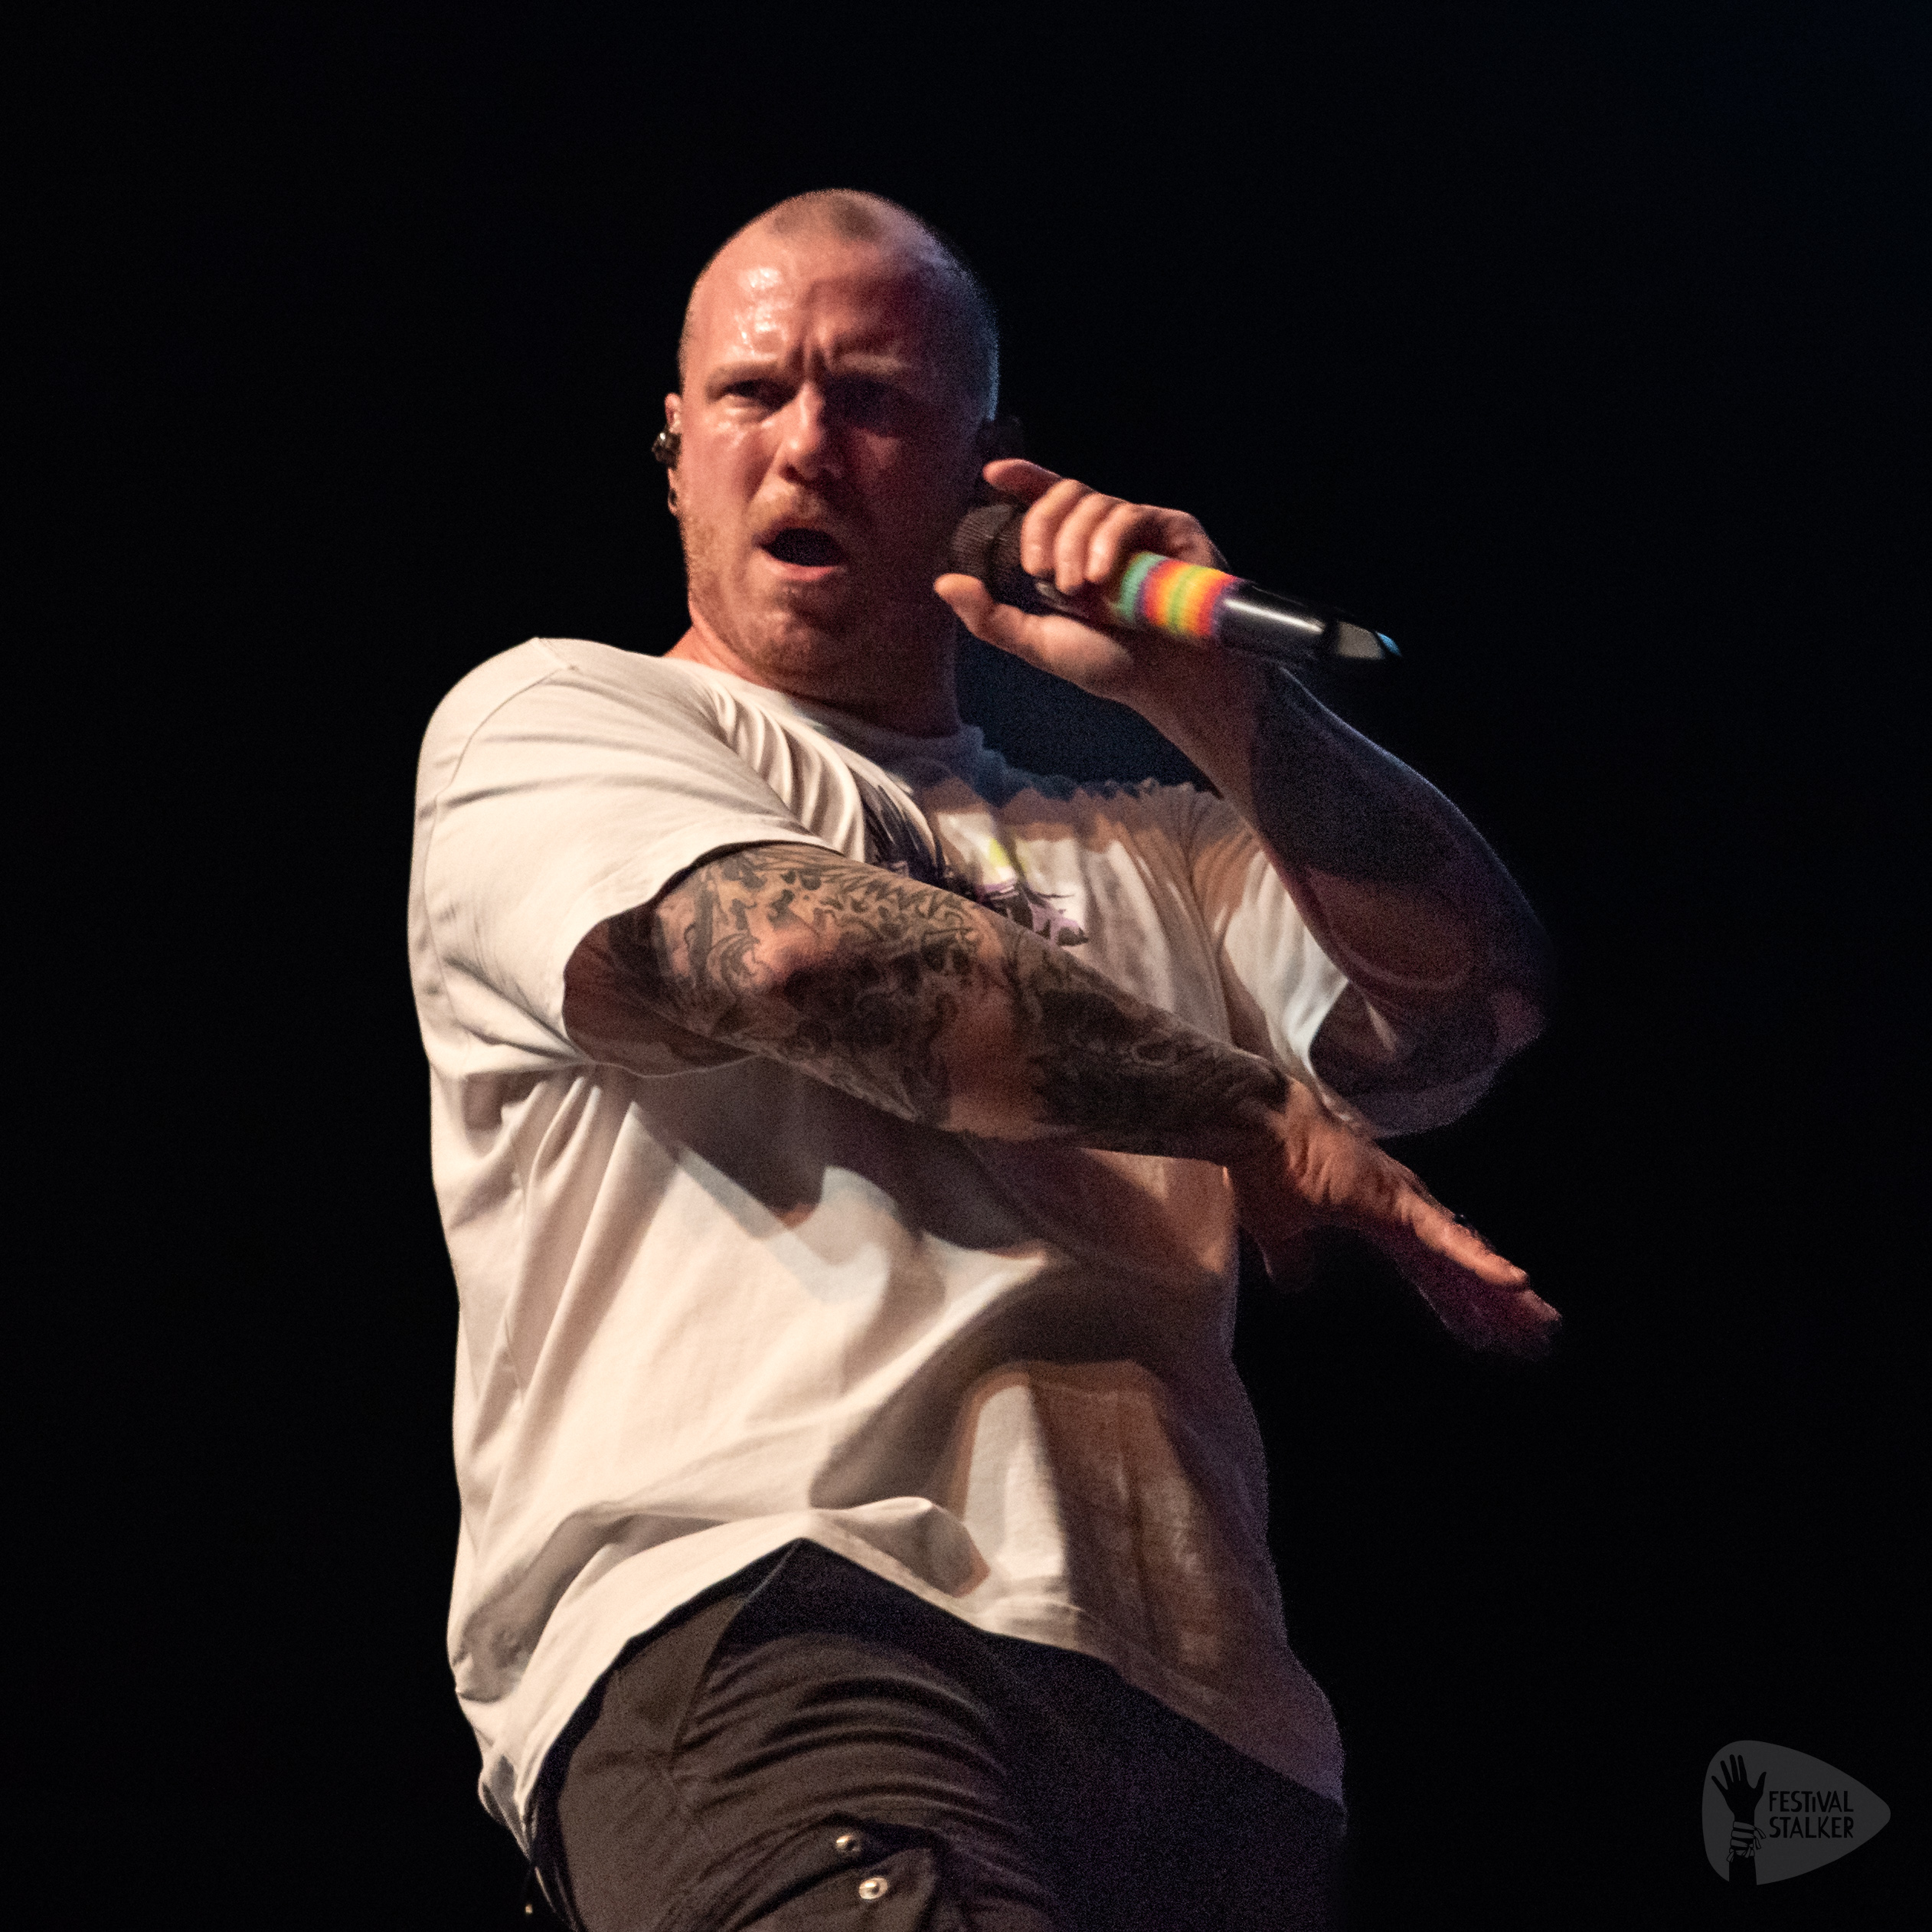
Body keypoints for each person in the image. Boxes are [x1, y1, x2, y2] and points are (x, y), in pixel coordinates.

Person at [407, 189, 1558, 1932]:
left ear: (984, 473)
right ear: (675, 453)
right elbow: (792, 954)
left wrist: (1213, 696)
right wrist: (1255, 1111)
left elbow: (1472, 998)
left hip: (1207, 1724)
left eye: (874, 399)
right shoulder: (564, 720)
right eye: (753, 392)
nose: (807, 444)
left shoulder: (1146, 839)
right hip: (787, 1623)